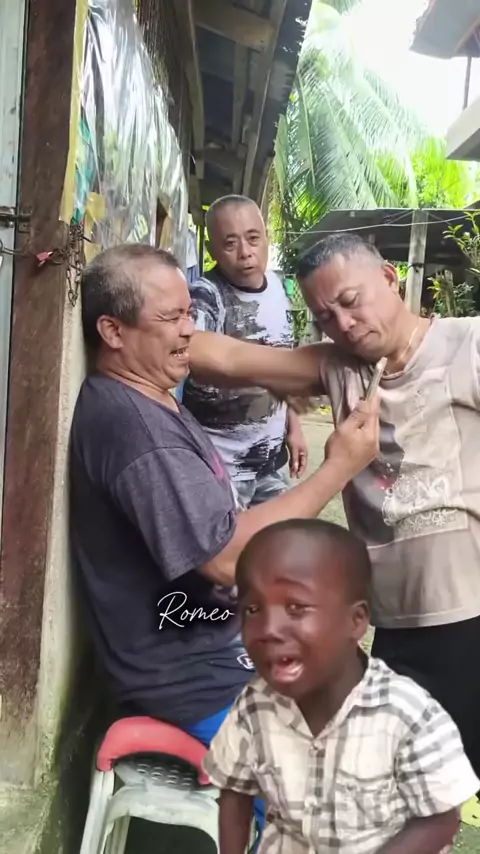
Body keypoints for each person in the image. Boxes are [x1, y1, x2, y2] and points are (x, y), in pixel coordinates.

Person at [69, 244, 378, 817]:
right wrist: (339, 467)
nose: (189, 330)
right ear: (112, 331)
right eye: (171, 318)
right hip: (192, 676)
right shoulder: (140, 435)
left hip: (212, 647)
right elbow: (229, 558)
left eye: (190, 313)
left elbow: (240, 358)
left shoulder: (150, 392)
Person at [188, 232, 480, 784]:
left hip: (469, 617)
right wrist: (154, 318)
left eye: (351, 301)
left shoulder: (466, 346)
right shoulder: (337, 368)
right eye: (325, 317)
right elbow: (220, 357)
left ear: (389, 278)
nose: (343, 324)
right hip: (393, 623)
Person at [204, 519, 479, 854]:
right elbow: (235, 789)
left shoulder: (406, 714)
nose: (269, 628)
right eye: (253, 609)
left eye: (296, 608)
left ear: (356, 620)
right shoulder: (254, 705)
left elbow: (441, 818)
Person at [183, 195, 308, 508]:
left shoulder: (277, 288)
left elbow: (284, 360)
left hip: (271, 463)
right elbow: (191, 352)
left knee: (278, 536)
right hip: (221, 467)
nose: (245, 253)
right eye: (230, 243)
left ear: (267, 237)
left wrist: (294, 427)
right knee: (228, 540)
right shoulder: (206, 295)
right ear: (212, 250)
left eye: (253, 239)